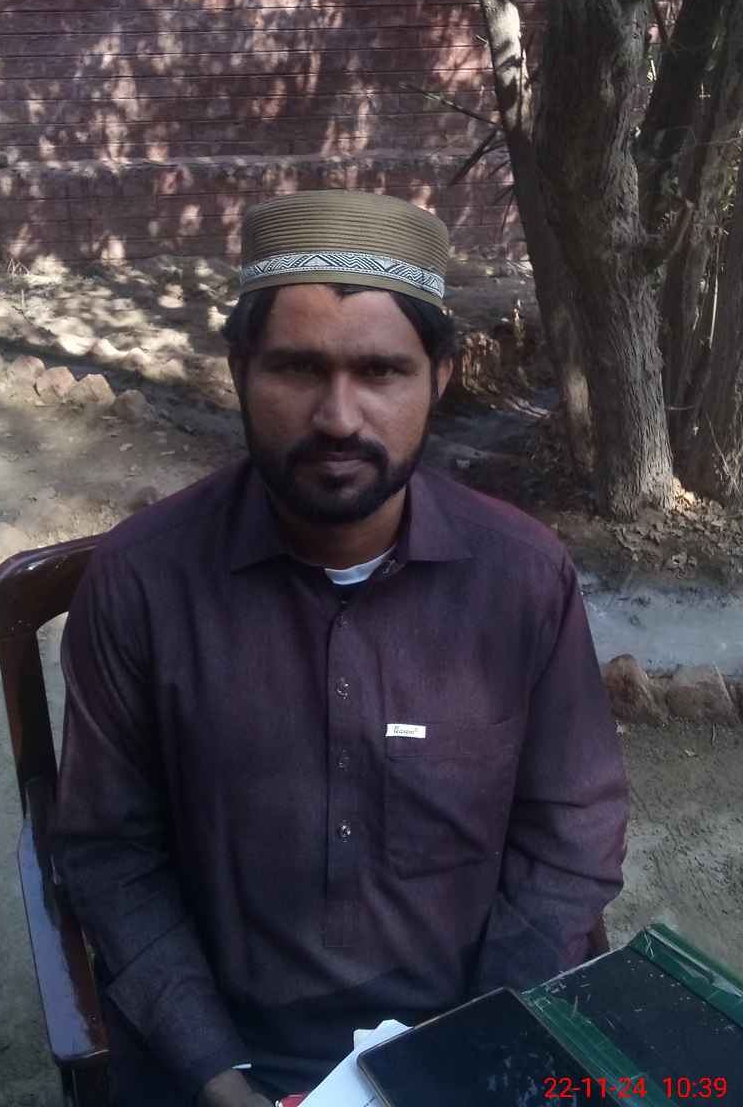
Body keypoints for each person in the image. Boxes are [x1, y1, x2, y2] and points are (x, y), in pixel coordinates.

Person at [52, 189, 628, 1107]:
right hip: (222, 1059)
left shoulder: (522, 578)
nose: (338, 417)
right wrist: (217, 1074)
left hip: (465, 1038)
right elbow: (110, 853)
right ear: (239, 369)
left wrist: (476, 1048)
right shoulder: (142, 582)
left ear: (440, 376)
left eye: (381, 371)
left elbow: (573, 830)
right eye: (296, 368)